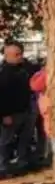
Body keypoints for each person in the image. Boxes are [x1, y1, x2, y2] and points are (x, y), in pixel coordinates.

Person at [0, 39, 37, 175]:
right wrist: (4, 115)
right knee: (6, 141)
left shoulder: (25, 68)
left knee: (25, 139)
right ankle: (2, 166)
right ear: (7, 55)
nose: (20, 57)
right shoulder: (3, 72)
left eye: (20, 53)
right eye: (16, 55)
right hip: (10, 113)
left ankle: (23, 162)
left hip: (26, 109)